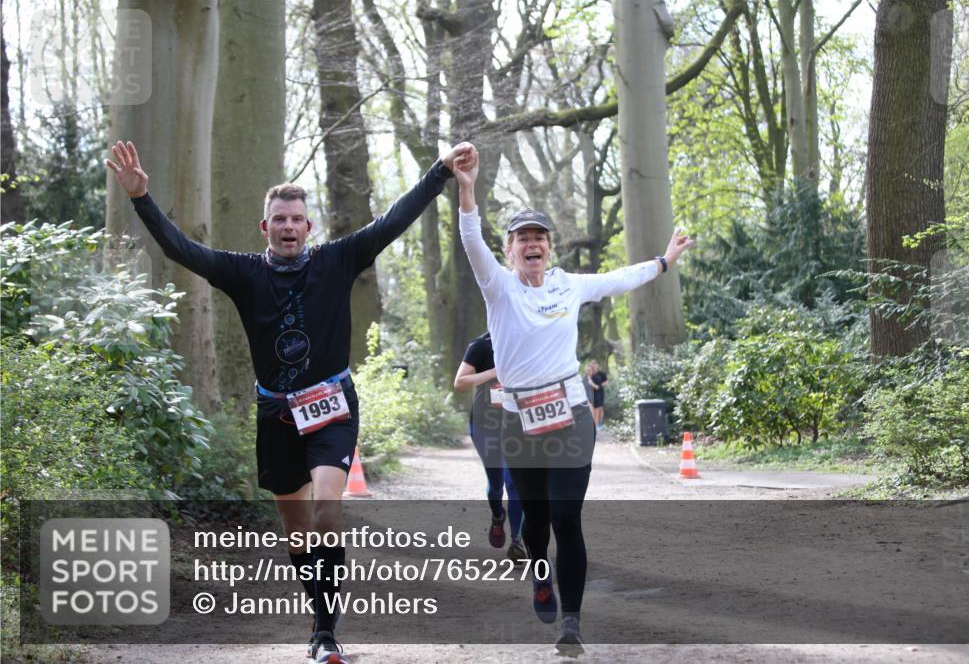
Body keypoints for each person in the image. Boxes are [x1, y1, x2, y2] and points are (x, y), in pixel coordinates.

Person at [105, 140, 474, 664]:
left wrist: (439, 171)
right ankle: (318, 613)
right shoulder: (242, 273)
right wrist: (142, 198)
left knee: (327, 505)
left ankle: (326, 632)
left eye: (297, 219)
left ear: (309, 228)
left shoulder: (339, 259)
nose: (288, 227)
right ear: (265, 229)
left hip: (332, 407)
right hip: (275, 413)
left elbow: (393, 220)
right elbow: (181, 250)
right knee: (297, 532)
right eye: (278, 219)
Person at [454, 145, 694, 657]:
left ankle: (572, 621)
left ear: (550, 246)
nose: (532, 244)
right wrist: (468, 187)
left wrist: (663, 262)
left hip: (570, 417)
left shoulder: (570, 285)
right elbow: (471, 237)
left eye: (539, 236)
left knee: (567, 518)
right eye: (523, 238)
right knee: (536, 527)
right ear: (511, 249)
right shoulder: (497, 288)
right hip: (519, 423)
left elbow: (620, 279)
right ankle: (541, 579)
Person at [454, 332, 526, 561]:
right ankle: (498, 516)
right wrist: (494, 373)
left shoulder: (527, 340)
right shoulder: (482, 345)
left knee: (513, 482)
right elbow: (460, 382)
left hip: (518, 423)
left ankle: (517, 541)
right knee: (496, 485)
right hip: (486, 425)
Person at [586, 360, 608, 429]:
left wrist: (599, 386)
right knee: (596, 409)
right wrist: (595, 386)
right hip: (593, 394)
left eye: (595, 365)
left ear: (597, 366)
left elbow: (606, 382)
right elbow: (588, 382)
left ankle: (599, 423)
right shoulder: (590, 374)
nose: (594, 366)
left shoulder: (601, 374)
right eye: (593, 365)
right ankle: (596, 424)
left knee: (600, 408)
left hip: (600, 393)